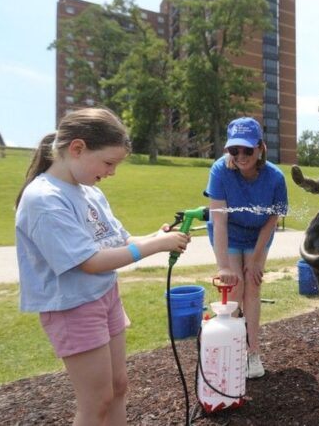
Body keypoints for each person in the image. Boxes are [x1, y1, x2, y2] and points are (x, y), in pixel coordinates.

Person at [15, 108, 191, 425]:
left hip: (104, 296)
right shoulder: (44, 199)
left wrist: (156, 236)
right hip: (73, 307)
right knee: (96, 402)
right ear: (77, 149)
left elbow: (118, 242)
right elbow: (90, 262)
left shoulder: (90, 192)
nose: (112, 172)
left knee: (118, 387)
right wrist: (154, 246)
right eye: (109, 162)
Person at [205, 117, 288, 379]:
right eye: (234, 150)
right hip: (228, 234)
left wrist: (254, 260)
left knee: (252, 285)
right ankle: (234, 348)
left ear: (260, 147)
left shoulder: (275, 177)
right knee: (235, 288)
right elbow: (218, 221)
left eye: (247, 150)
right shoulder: (220, 171)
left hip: (258, 235)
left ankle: (253, 353)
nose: (241, 156)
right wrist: (222, 266)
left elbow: (272, 221)